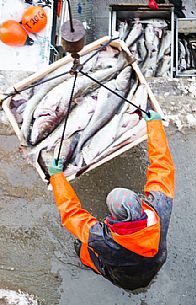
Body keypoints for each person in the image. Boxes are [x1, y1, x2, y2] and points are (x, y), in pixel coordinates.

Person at [48, 110, 175, 290]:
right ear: (138, 204)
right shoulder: (160, 208)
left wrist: (57, 178)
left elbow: (71, 214)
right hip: (156, 262)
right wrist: (154, 125)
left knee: (82, 247)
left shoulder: (102, 238)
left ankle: (86, 260)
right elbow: (162, 167)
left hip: (125, 280)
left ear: (115, 216)